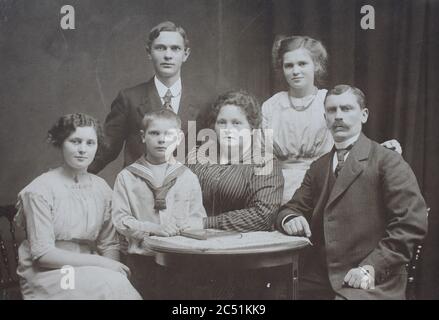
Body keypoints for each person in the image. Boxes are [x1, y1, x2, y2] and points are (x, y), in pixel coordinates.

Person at [276, 85, 428, 299]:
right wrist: (290, 218)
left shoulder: (387, 160)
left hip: (374, 278)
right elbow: (291, 208)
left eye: (346, 109)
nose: (338, 116)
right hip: (321, 276)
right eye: (331, 110)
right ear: (325, 117)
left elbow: (410, 224)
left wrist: (371, 267)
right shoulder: (319, 167)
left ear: (364, 115)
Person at [15, 113, 141, 300]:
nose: (83, 149)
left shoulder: (101, 188)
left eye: (90, 143)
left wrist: (113, 271)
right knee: (110, 286)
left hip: (90, 268)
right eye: (75, 141)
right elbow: (43, 255)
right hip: (50, 273)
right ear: (60, 143)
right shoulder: (39, 190)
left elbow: (109, 243)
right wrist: (102, 266)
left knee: (117, 284)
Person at [262, 35, 401, 204]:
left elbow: (351, 142)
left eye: (302, 64)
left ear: (316, 66)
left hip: (324, 186)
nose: (295, 71)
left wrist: (380, 152)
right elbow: (260, 159)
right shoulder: (271, 106)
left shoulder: (330, 101)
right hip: (278, 190)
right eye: (289, 65)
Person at [186, 90, 285, 299]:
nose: (227, 129)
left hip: (245, 259)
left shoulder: (264, 162)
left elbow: (263, 215)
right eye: (222, 122)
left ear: (252, 127)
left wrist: (205, 223)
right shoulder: (198, 154)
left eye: (236, 123)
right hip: (196, 252)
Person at [89, 21, 213, 174]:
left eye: (175, 49)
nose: (168, 55)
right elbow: (106, 149)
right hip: (138, 190)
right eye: (160, 48)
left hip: (186, 192)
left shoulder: (204, 103)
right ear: (149, 52)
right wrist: (70, 177)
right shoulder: (129, 99)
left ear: (185, 54)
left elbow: (213, 154)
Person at [112, 109, 206, 299]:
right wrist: (154, 228)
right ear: (143, 136)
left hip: (180, 259)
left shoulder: (188, 177)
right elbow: (120, 219)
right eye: (154, 133)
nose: (162, 140)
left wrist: (185, 228)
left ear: (179, 138)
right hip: (141, 259)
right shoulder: (127, 177)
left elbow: (198, 218)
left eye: (169, 134)